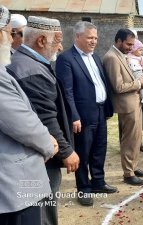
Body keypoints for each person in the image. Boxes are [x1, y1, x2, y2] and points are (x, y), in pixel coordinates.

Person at [7, 16, 80, 225]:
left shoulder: (26, 62)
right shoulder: (30, 70)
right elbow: (45, 118)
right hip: (40, 159)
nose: (61, 46)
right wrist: (66, 151)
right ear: (41, 41)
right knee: (42, 213)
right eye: (57, 41)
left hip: (35, 156)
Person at [0, 6, 57, 225]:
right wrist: (48, 143)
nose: (11, 38)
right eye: (8, 32)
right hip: (14, 185)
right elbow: (20, 122)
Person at [55, 21, 117, 206]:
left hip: (99, 111)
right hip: (82, 115)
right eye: (90, 37)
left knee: (100, 148)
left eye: (96, 38)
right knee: (83, 151)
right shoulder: (66, 58)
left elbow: (101, 83)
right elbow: (67, 91)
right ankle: (83, 188)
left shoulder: (95, 57)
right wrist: (74, 115)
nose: (94, 41)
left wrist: (107, 107)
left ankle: (98, 181)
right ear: (78, 37)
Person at [103, 28, 143, 186]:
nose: (131, 48)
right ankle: (128, 173)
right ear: (118, 41)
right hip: (126, 105)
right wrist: (139, 83)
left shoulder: (121, 55)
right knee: (129, 140)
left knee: (136, 138)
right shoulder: (111, 57)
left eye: (132, 45)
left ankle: (133, 167)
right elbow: (118, 86)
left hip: (134, 102)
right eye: (128, 44)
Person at [127, 39, 143, 107]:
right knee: (135, 86)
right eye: (140, 50)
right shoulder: (128, 56)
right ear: (134, 49)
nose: (141, 52)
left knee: (141, 86)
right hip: (131, 74)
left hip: (139, 72)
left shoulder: (142, 58)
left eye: (142, 50)